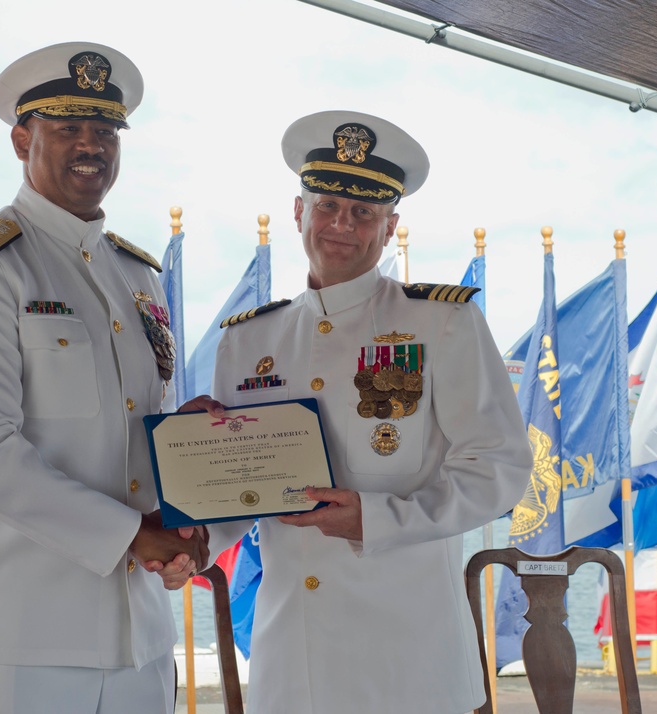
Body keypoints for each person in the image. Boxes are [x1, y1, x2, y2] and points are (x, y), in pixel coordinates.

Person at [160, 110, 533, 713]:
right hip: (291, 652)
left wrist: (375, 519)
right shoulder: (250, 340)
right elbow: (243, 487)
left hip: (408, 652)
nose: (342, 224)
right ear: (299, 212)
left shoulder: (441, 322)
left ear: (389, 228)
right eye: (328, 204)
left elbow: (500, 469)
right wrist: (193, 539)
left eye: (364, 213)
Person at [0, 42, 212, 714]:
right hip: (18, 636)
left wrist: (190, 462)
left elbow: (128, 435)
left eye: (106, 131)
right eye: (69, 128)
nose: (92, 146)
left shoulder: (136, 274)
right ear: (23, 139)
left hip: (136, 634)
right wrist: (137, 537)